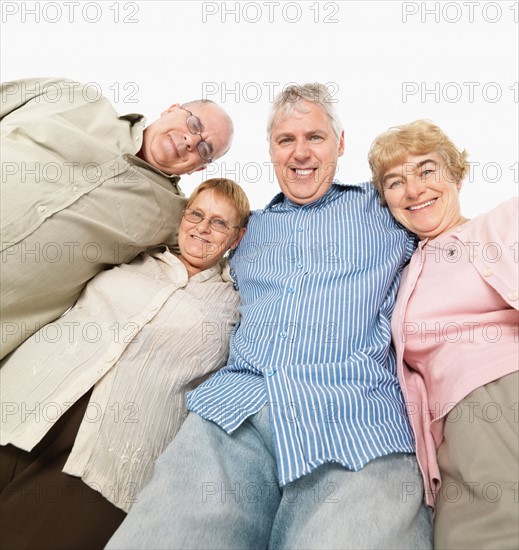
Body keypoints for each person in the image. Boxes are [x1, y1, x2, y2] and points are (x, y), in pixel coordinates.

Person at [106, 84, 433, 550]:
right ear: (271, 150)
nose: (300, 152)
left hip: (355, 424)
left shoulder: (384, 209)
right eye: (285, 140)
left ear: (341, 144)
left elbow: (448, 228)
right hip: (234, 419)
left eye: (315, 137)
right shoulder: (245, 231)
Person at [0, 178, 249, 549]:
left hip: (113, 453)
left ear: (237, 238)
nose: (202, 226)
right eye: (196, 213)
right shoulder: (134, 254)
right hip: (27, 403)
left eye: (219, 222)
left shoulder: (237, 303)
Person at [0, 77, 234, 359]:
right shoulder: (72, 97)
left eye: (205, 150)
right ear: (171, 109)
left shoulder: (176, 218)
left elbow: (220, 258)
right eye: (194, 124)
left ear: (198, 169)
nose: (191, 140)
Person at [367, 119, 519, 549]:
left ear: (454, 174)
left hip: (503, 386)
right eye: (396, 181)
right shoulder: (402, 270)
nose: (414, 189)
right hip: (450, 429)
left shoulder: (501, 224)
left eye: (427, 170)